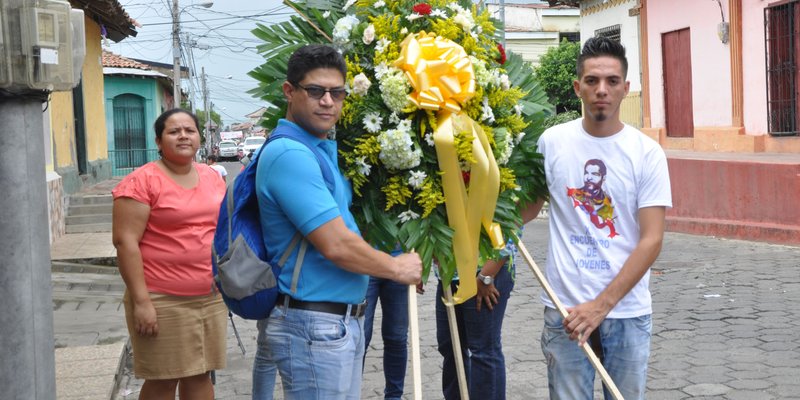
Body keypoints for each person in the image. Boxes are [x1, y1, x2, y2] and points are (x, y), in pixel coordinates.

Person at [251, 44, 422, 399]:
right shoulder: (290, 154)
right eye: (315, 91)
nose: (327, 101)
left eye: (337, 92)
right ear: (289, 91)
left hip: (334, 324)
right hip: (313, 325)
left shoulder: (318, 149)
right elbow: (336, 244)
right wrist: (395, 266)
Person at [531, 36, 672, 400]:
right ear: (578, 87)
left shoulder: (646, 153)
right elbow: (523, 210)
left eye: (611, 81)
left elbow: (652, 239)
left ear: (626, 88)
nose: (601, 90)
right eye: (592, 81)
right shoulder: (551, 143)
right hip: (565, 308)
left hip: (626, 312)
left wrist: (601, 305)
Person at [112, 109, 228, 400]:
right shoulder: (141, 182)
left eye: (189, 130)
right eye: (174, 131)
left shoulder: (212, 177)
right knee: (164, 380)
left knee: (201, 373)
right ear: (158, 141)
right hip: (161, 299)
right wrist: (142, 302)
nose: (183, 136)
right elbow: (125, 243)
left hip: (209, 295)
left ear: (199, 137)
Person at [434, 240, 518, 400]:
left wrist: (486, 275)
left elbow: (513, 224)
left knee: (484, 351)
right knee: (451, 346)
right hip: (449, 274)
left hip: (485, 273)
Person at [363, 269, 409, 400]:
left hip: (399, 266)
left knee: (397, 337)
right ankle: (350, 394)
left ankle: (394, 397)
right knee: (360, 339)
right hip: (364, 265)